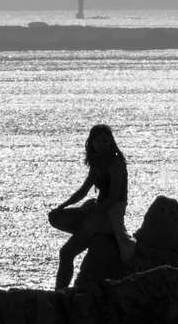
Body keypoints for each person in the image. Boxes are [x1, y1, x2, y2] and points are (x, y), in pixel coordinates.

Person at [48, 124, 137, 290]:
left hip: (110, 215)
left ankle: (60, 292)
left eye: (106, 140)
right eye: (99, 140)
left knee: (66, 253)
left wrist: (93, 215)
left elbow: (113, 198)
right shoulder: (97, 162)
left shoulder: (116, 163)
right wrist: (62, 206)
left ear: (111, 142)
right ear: (92, 143)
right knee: (56, 218)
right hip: (96, 209)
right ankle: (89, 234)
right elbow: (83, 191)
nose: (103, 143)